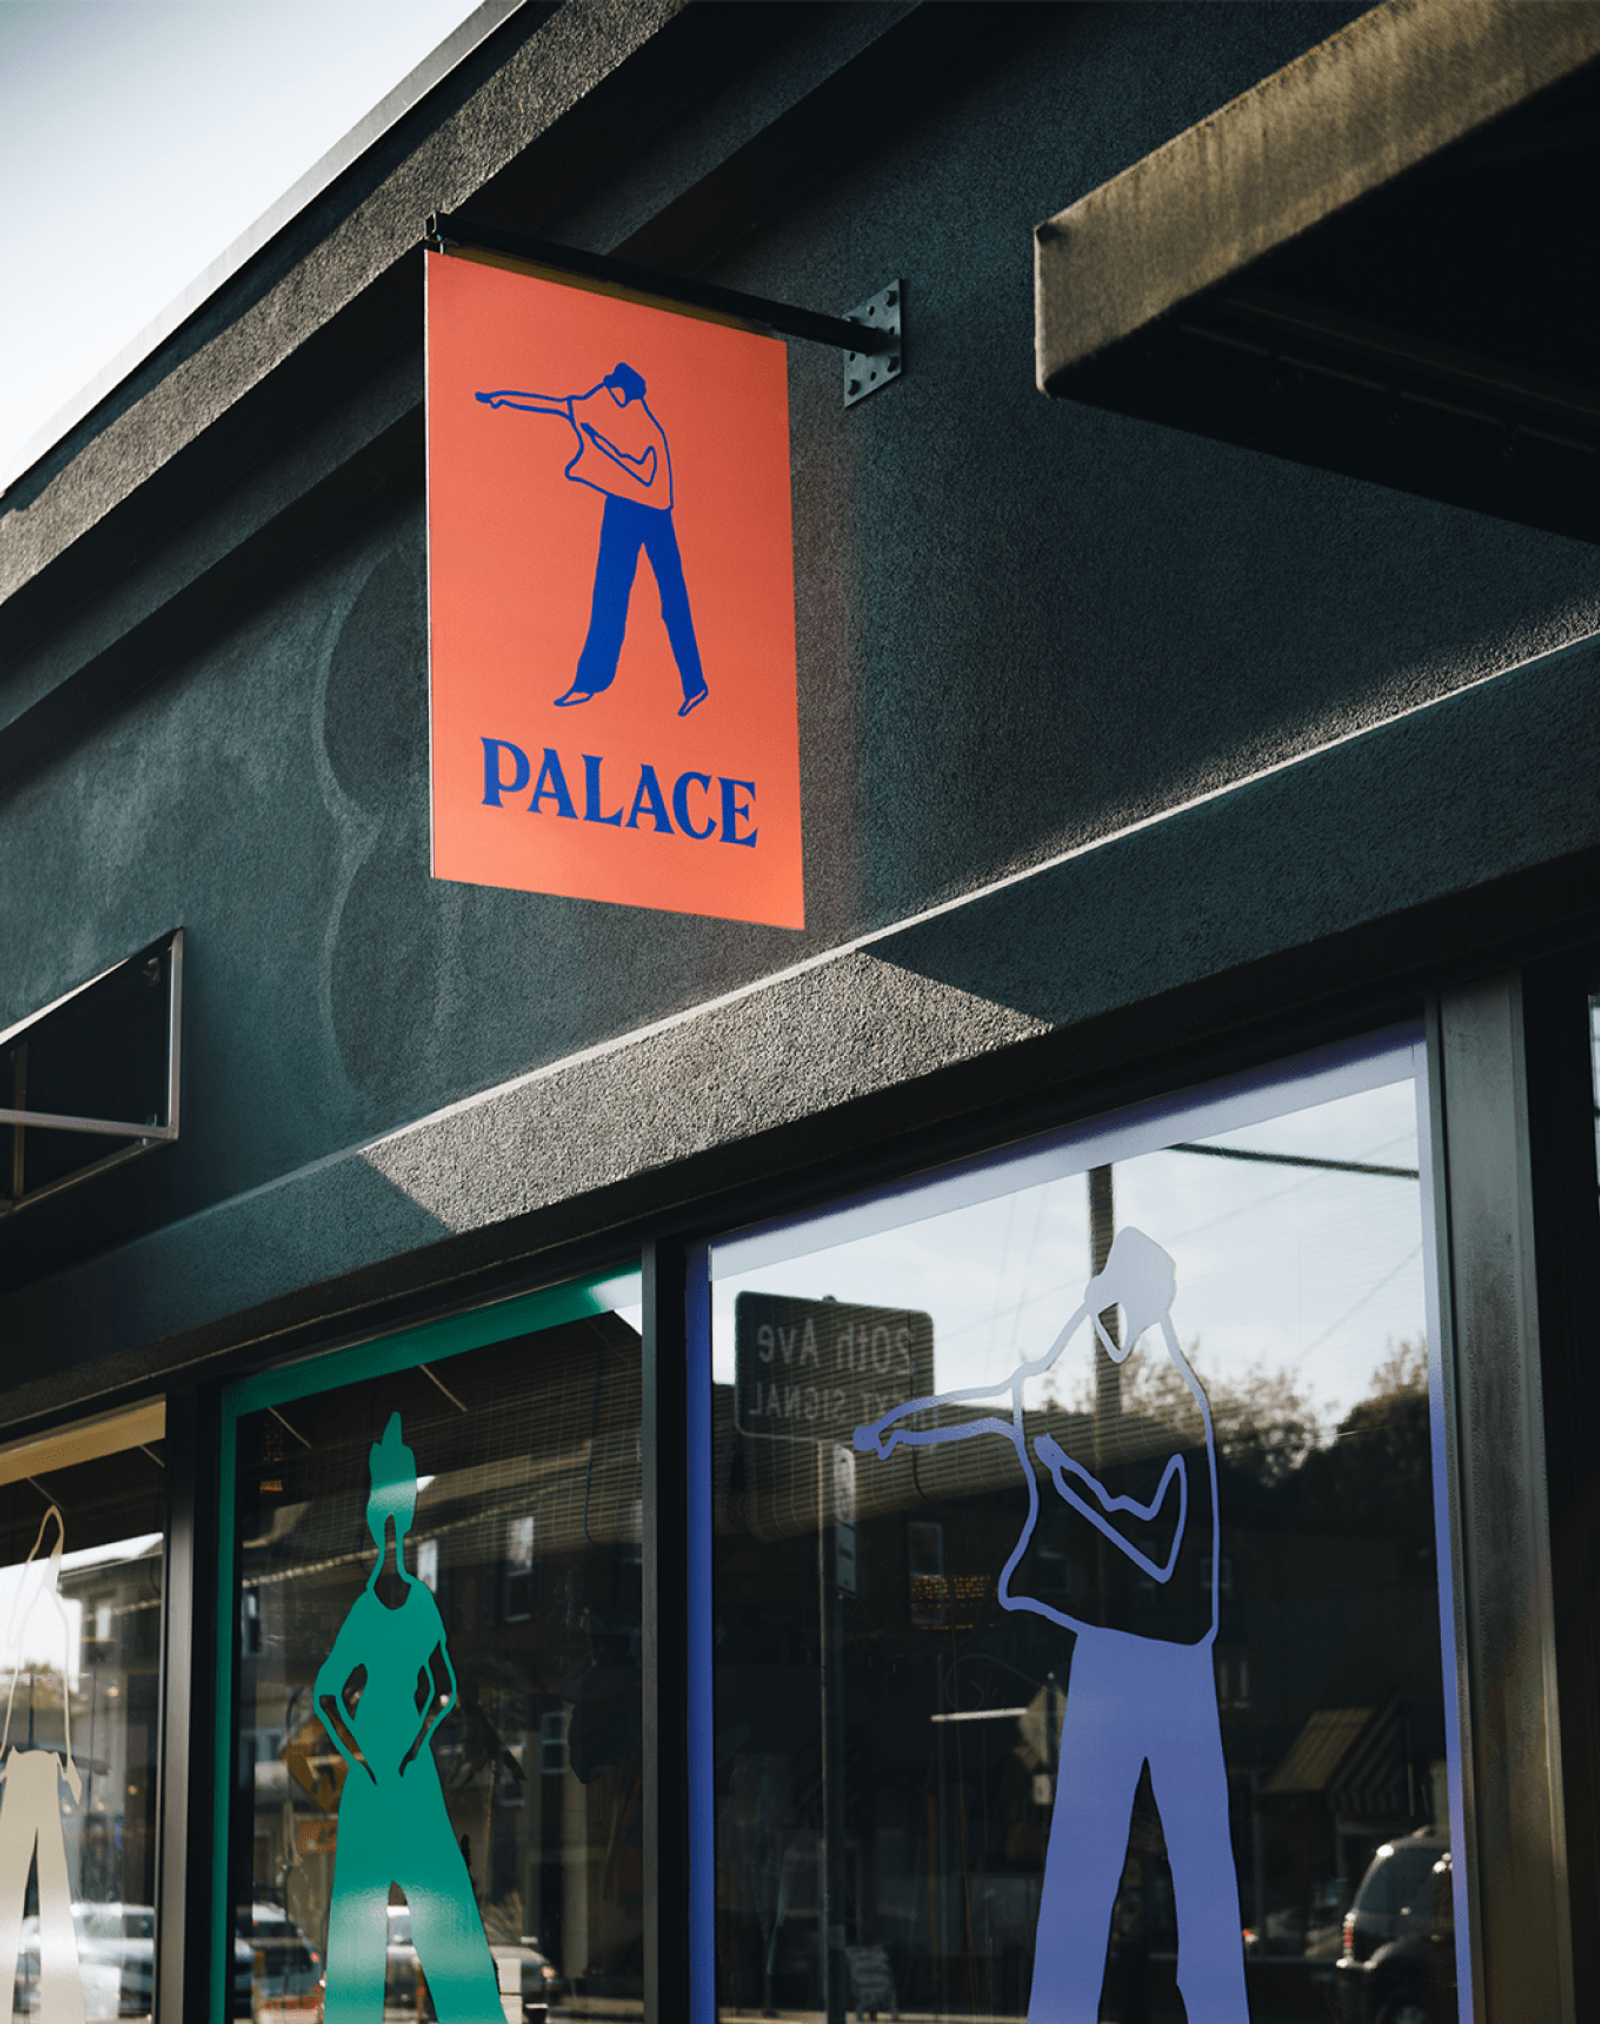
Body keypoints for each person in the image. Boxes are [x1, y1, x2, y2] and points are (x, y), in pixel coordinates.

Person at [854, 1227, 1248, 2024]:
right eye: (1100, 1305)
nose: (1099, 1322)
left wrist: (1073, 1487)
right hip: (1109, 1655)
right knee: (1081, 1869)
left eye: (1114, 1306)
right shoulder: (1084, 1386)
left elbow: (1162, 1562)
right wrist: (899, 1426)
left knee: (1200, 1871)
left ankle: (1215, 2011)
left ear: (1144, 1310)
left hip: (1172, 1664)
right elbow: (987, 1414)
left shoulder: (1176, 1417)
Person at [316, 1413, 502, 2024]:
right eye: (386, 1518)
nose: (393, 1531)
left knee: (438, 1907)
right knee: (367, 1921)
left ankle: (472, 2014)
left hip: (398, 1768)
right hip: (384, 1769)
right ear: (378, 1523)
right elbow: (329, 1692)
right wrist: (366, 1756)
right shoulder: (378, 1609)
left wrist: (400, 1747)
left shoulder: (414, 1604)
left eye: (398, 1516)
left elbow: (442, 1689)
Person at [476, 362, 710, 715]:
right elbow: (555, 405)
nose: (610, 392)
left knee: (672, 600)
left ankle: (694, 684)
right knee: (609, 595)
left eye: (615, 389)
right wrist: (503, 398)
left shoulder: (648, 429)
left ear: (627, 394)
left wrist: (605, 449)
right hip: (620, 508)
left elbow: (648, 477)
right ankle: (589, 682)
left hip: (655, 514)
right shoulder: (600, 405)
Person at [0, 1506, 87, 2024]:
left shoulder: (41, 1616)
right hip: (31, 1768)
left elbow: (30, 1695)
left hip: (32, 1768)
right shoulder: (38, 1616)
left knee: (36, 1885)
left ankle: (59, 2008)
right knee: (24, 1886)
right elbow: (17, 1690)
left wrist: (68, 1765)